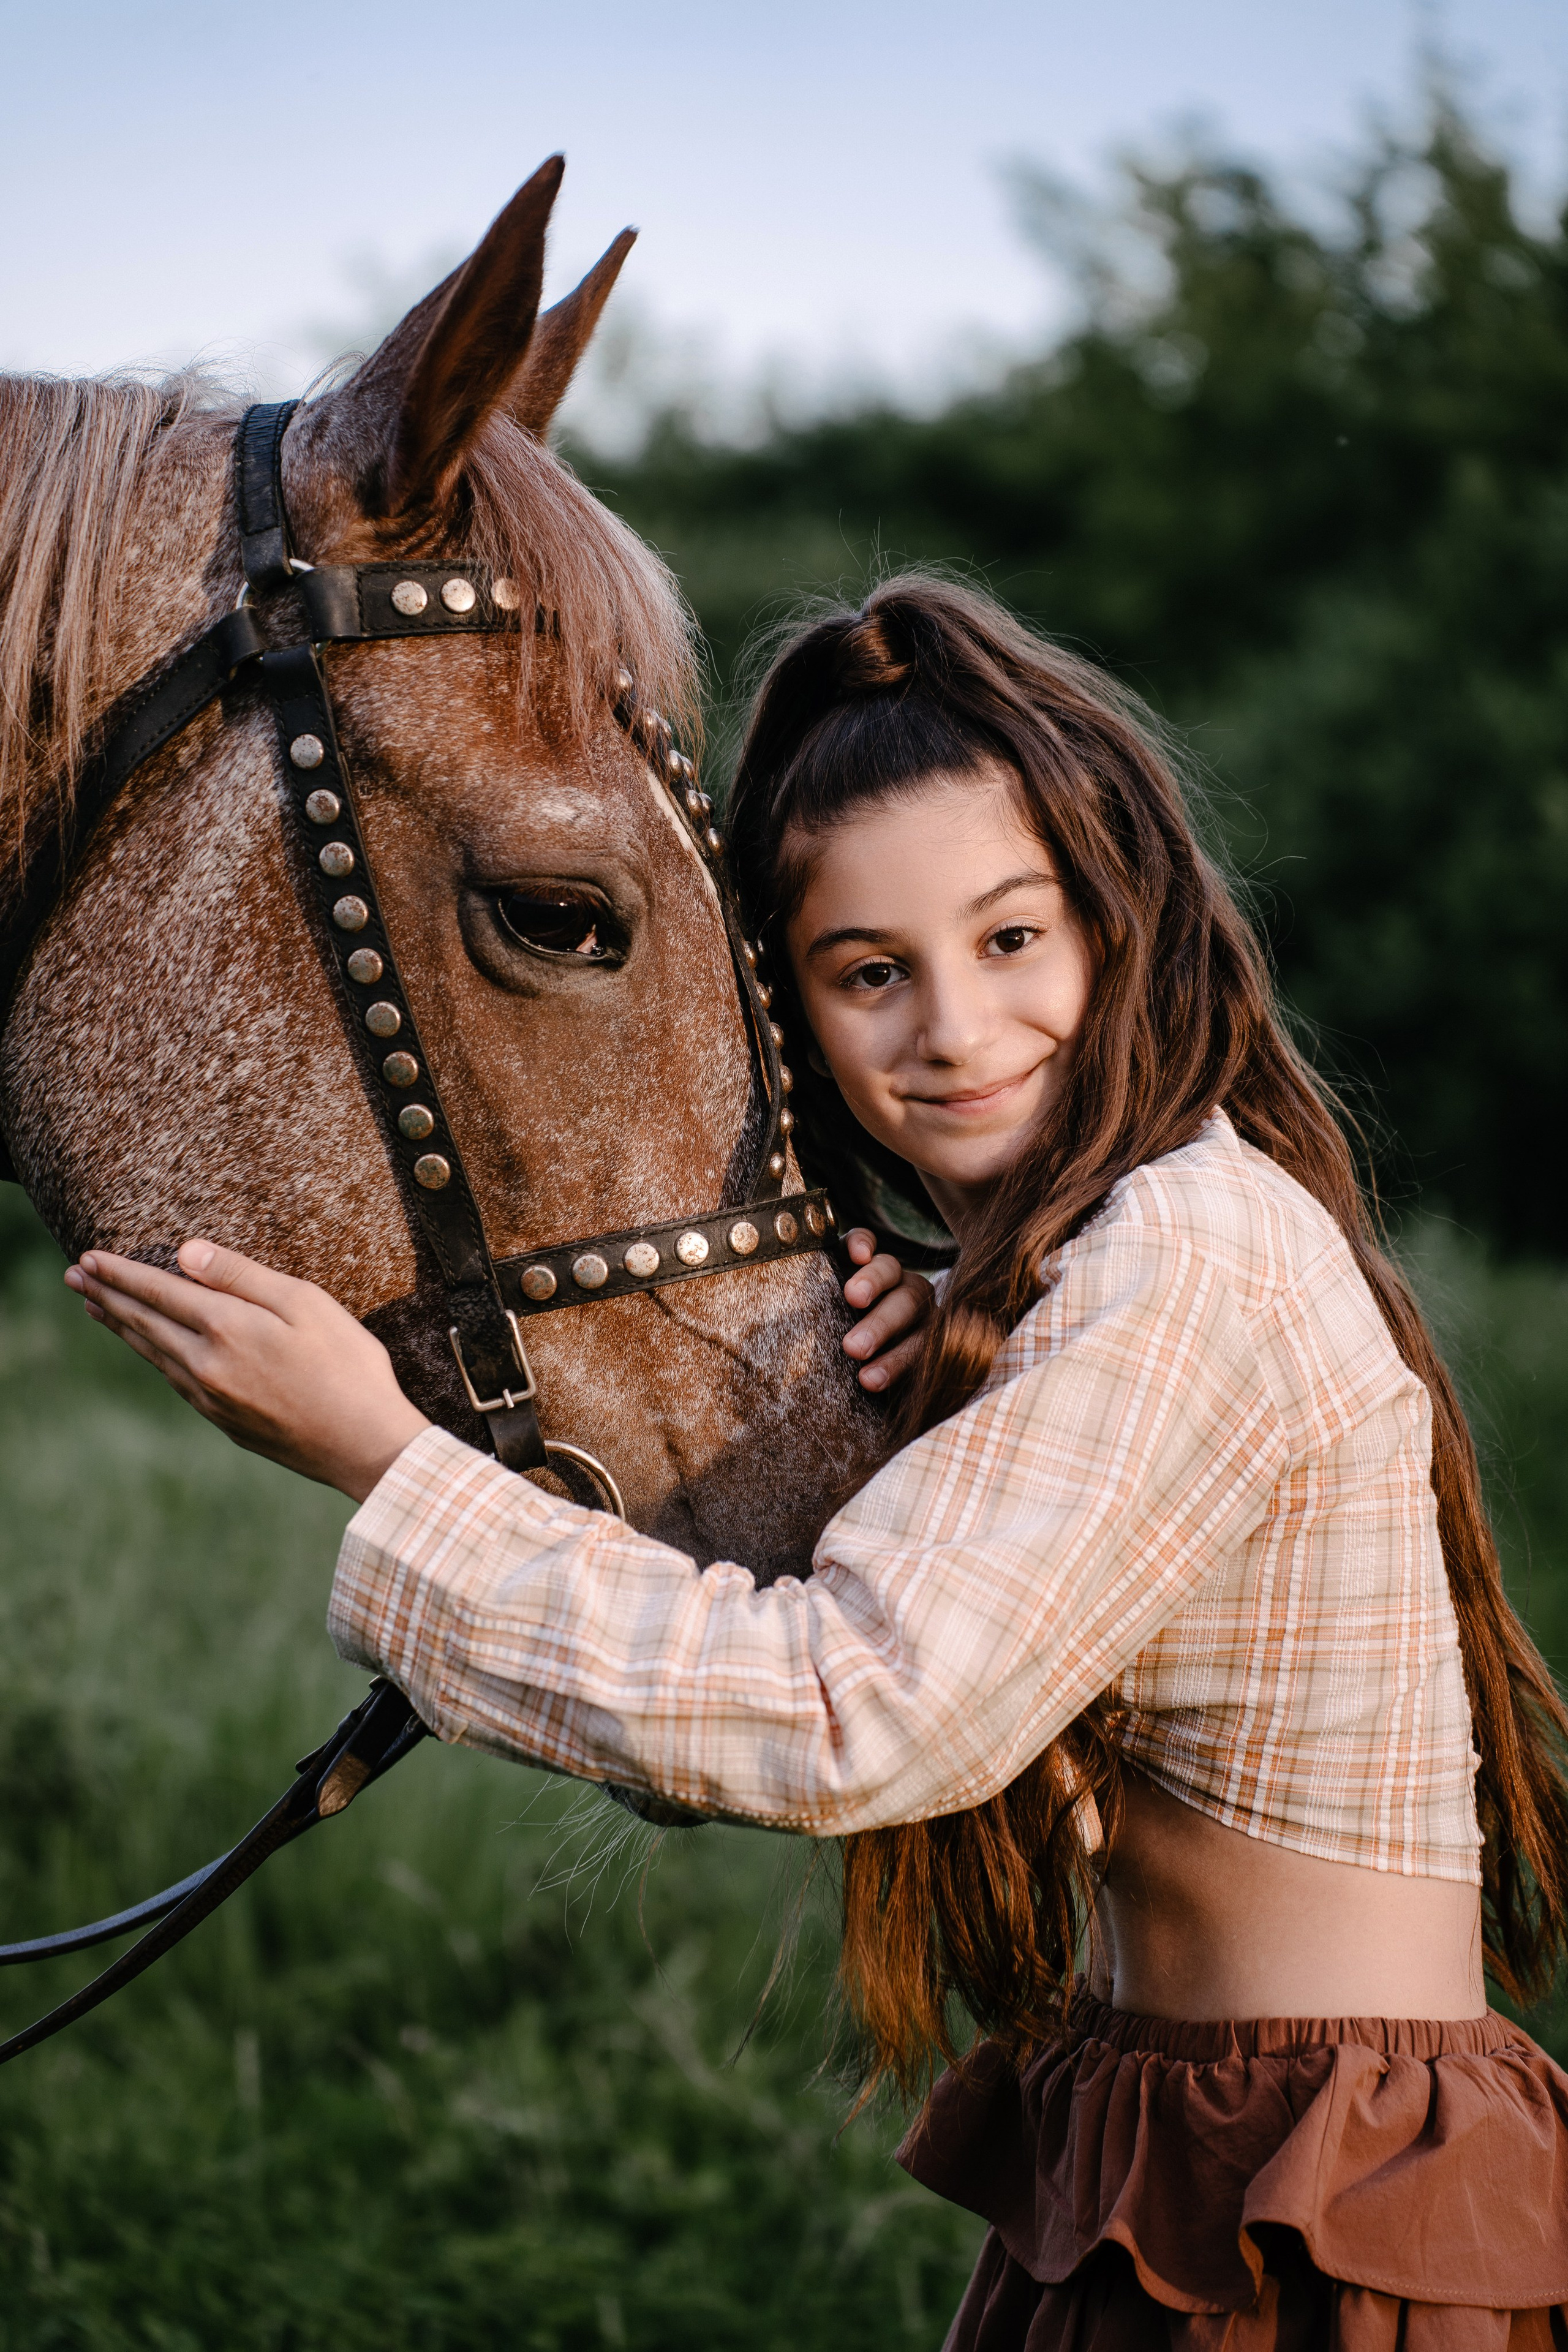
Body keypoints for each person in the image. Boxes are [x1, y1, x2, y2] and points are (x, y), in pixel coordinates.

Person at [68, 576, 1568, 2345]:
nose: (952, 1029)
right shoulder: (1097, 1273)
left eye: (1015, 941)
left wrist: (386, 1458)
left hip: (1319, 2204)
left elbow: (854, 1706)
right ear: (788, 1016)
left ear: (1122, 923)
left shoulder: (1193, 1254)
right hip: (1176, 2138)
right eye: (872, 974)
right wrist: (953, 1339)